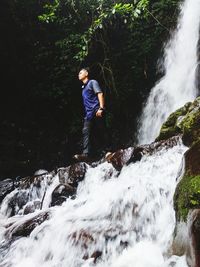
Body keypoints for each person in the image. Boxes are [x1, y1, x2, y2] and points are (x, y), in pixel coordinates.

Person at [74, 67, 110, 161]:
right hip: (88, 115)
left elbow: (100, 94)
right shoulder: (83, 88)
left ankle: (108, 151)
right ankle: (86, 154)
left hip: (96, 110)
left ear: (86, 74)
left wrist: (101, 108)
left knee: (102, 130)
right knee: (86, 132)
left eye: (81, 73)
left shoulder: (92, 82)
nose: (79, 74)